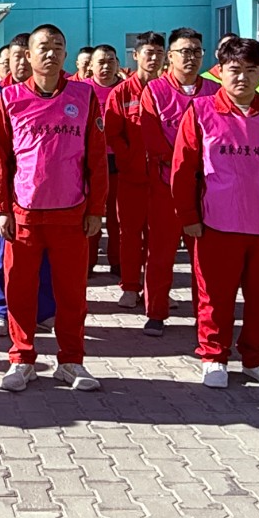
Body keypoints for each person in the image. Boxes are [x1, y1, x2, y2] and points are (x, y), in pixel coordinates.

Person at [171, 37, 259, 388]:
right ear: (220, 71)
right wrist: (188, 216)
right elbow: (183, 170)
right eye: (234, 70)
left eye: (251, 70)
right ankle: (213, 355)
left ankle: (257, 358)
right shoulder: (201, 111)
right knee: (215, 297)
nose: (242, 78)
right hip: (216, 224)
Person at [0, 24, 107, 393]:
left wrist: (96, 209)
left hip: (71, 212)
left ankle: (71, 361)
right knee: (20, 290)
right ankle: (21, 359)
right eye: (43, 46)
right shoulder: (10, 98)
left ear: (66, 54)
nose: (51, 53)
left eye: (58, 45)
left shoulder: (84, 96)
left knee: (71, 293)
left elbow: (97, 158)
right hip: (24, 212)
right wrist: (1, 207)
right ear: (28, 55)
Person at [137, 28, 220, 336]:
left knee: (205, 256)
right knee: (160, 253)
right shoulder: (155, 91)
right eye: (184, 51)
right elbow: (152, 138)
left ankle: (205, 316)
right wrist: (182, 168)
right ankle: (156, 312)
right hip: (166, 187)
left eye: (197, 51)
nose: (191, 57)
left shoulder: (214, 91)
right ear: (169, 56)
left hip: (207, 188)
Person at [0, 35, 54, 338]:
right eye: (15, 57)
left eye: (26, 55)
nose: (22, 62)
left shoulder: (49, 93)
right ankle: (0, 309)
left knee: (43, 253)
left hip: (41, 192)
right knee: (1, 251)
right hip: (6, 191)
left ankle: (43, 311)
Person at [104, 31, 164, 309]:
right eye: (148, 53)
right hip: (131, 178)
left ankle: (158, 289)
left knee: (160, 238)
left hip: (163, 179)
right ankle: (130, 286)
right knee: (129, 234)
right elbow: (112, 132)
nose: (154, 58)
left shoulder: (167, 90)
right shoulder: (122, 92)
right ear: (136, 55)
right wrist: (128, 158)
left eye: (159, 53)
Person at [86, 44, 124, 279]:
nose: (106, 66)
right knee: (90, 214)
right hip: (90, 162)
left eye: (111, 61)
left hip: (119, 160)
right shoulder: (82, 90)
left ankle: (118, 261)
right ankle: (88, 261)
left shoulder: (125, 90)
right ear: (91, 66)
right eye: (101, 62)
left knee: (117, 217)